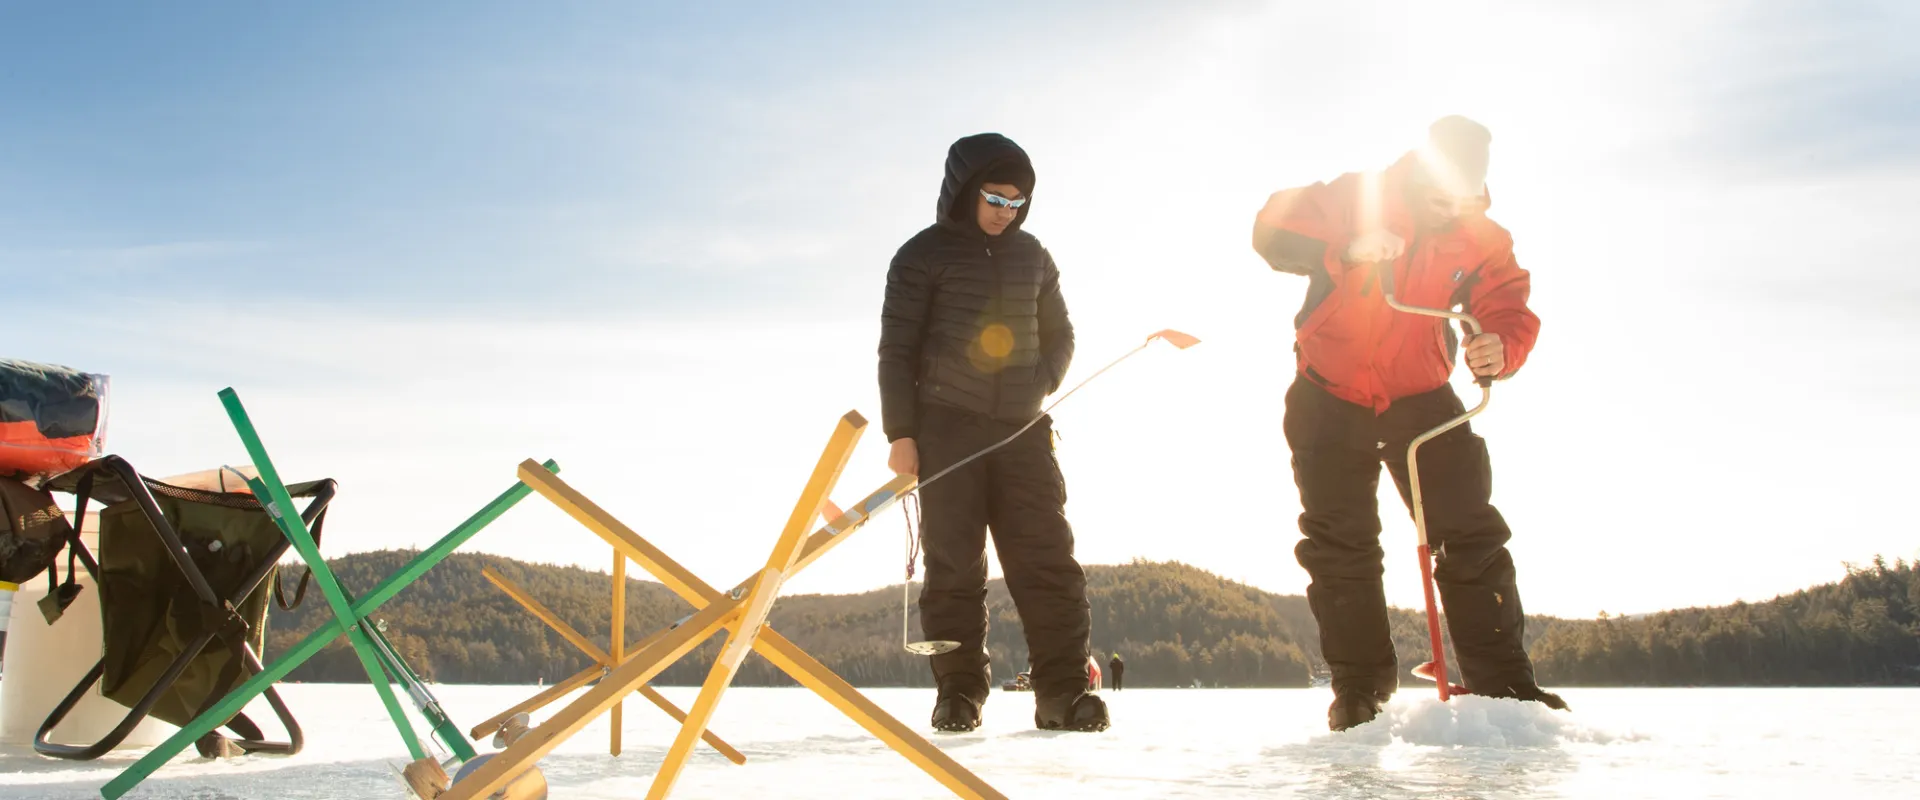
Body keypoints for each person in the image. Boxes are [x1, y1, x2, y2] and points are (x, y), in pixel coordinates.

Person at [1248, 116, 1568, 731]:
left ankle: (1501, 682)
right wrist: (1347, 249)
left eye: (1467, 200)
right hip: (1328, 393)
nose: (1453, 212)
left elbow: (1506, 305)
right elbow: (1270, 230)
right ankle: (1361, 686)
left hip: (1421, 394)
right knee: (1340, 544)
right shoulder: (1357, 197)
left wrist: (1499, 344)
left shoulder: (1483, 237)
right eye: (1442, 198)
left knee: (1468, 531)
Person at [877, 132, 1109, 734]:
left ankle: (1062, 693)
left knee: (1047, 560)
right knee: (954, 565)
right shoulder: (919, 256)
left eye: (1016, 203)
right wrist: (902, 432)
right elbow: (896, 351)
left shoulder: (1034, 255)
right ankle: (959, 692)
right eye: (995, 198)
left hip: (1023, 432)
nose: (1006, 212)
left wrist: (1040, 379)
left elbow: (1061, 333)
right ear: (963, 189)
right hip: (946, 428)